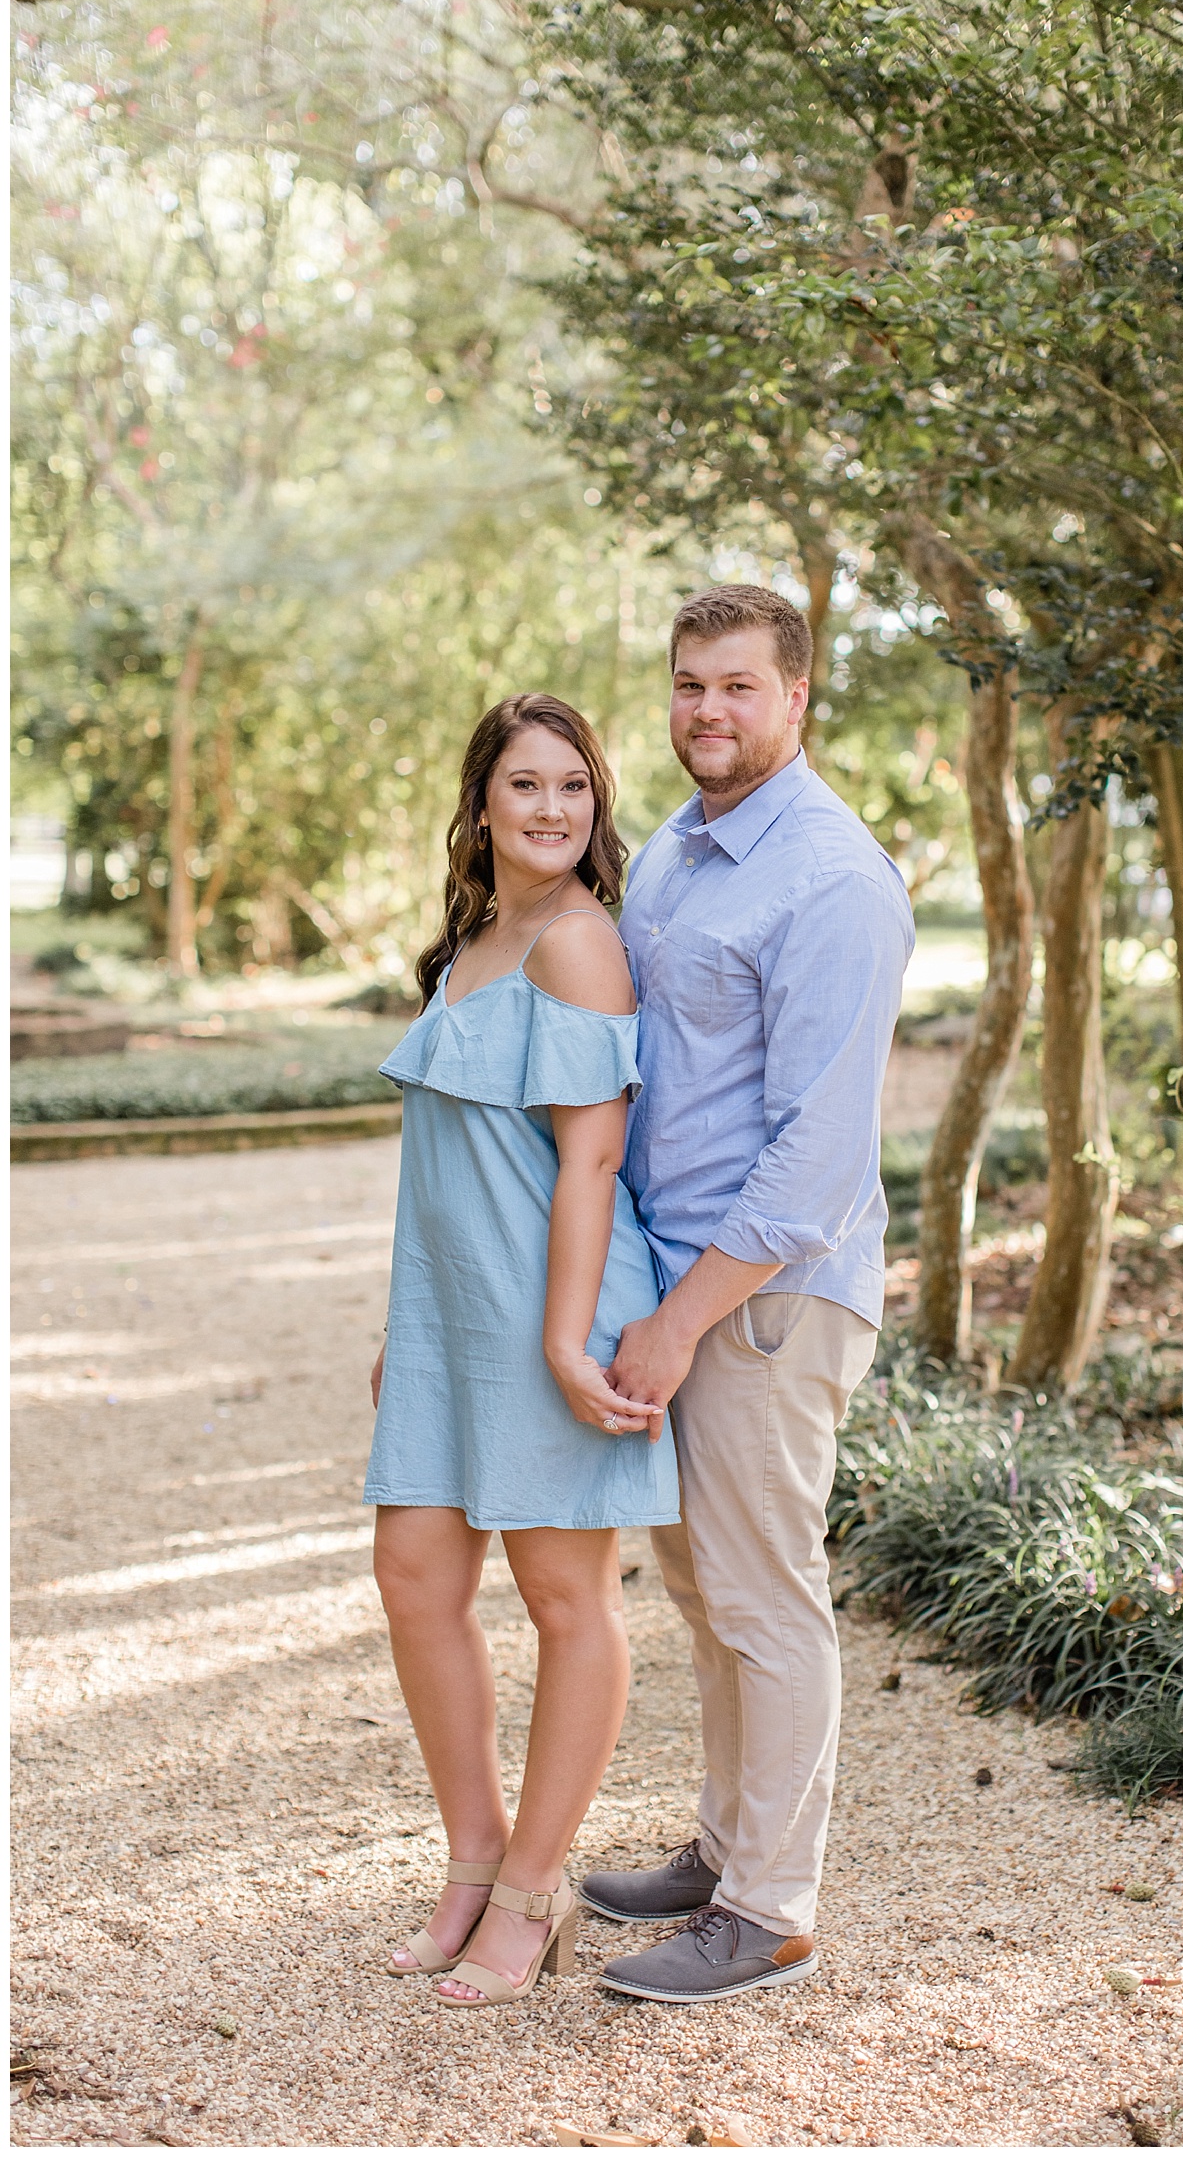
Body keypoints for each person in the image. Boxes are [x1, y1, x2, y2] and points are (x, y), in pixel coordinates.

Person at [579, 585, 914, 2002]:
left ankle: (769, 1911)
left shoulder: (834, 880)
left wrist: (677, 1318)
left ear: (795, 699)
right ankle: (723, 1852)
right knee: (702, 1580)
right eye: (686, 685)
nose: (705, 710)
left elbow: (811, 1166)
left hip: (765, 1295)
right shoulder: (675, 849)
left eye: (735, 687)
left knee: (765, 1592)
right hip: (675, 1272)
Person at [363, 693, 677, 2009]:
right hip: (451, 1318)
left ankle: (535, 1893)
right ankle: (474, 1858)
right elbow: (441, 1168)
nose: (551, 808)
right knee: (415, 1581)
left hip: (557, 1309)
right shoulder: (476, 942)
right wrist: (402, 1330)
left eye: (574, 788)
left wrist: (565, 1337)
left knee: (564, 1602)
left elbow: (591, 1157)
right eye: (526, 784)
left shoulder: (578, 944)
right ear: (481, 802)